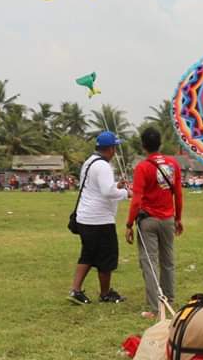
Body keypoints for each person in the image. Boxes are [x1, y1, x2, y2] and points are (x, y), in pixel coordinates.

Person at [125, 127, 184, 317]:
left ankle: (154, 307)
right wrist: (179, 218)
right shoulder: (173, 163)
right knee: (167, 261)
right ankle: (169, 297)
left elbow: (136, 199)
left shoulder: (142, 167)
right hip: (168, 219)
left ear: (143, 145)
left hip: (148, 220)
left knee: (149, 263)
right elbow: (178, 194)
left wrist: (128, 224)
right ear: (160, 143)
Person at [68, 131, 130, 305]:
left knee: (88, 255)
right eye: (115, 147)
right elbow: (107, 192)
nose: (116, 151)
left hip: (86, 217)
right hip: (99, 219)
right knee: (107, 256)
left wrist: (116, 186)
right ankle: (105, 293)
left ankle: (76, 290)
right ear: (110, 149)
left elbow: (99, 187)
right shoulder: (103, 166)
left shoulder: (90, 162)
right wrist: (126, 192)